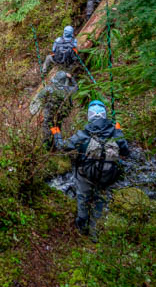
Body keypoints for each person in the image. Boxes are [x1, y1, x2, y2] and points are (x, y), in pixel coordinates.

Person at [51, 100, 130, 238]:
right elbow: (125, 151)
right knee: (100, 201)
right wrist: (119, 131)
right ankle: (95, 234)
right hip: (107, 176)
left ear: (90, 116)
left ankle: (81, 230)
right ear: (105, 115)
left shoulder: (84, 133)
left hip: (85, 175)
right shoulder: (114, 132)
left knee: (83, 198)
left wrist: (56, 133)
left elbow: (63, 147)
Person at [29, 70, 78, 145]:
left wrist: (35, 110)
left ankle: (47, 145)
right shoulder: (68, 89)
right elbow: (76, 87)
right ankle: (57, 143)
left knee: (47, 127)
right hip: (61, 113)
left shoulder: (49, 88)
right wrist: (71, 78)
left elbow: (39, 97)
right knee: (57, 126)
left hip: (49, 112)